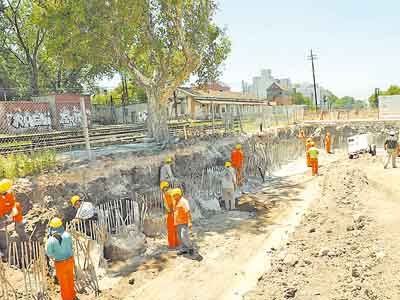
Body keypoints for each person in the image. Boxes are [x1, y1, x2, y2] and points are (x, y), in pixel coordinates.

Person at [46, 217, 76, 300]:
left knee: (63, 283)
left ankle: (67, 298)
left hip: (60, 264)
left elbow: (49, 253)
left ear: (52, 227)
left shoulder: (51, 240)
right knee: (70, 279)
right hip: (70, 260)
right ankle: (72, 296)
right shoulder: (68, 235)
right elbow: (71, 246)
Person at [170, 188, 194, 256]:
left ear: (179, 194)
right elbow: (174, 211)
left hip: (184, 222)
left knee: (184, 236)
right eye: (173, 195)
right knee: (180, 237)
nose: (174, 197)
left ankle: (190, 248)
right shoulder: (175, 201)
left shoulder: (184, 201)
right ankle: (183, 249)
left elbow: (188, 212)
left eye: (175, 195)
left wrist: (189, 222)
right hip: (177, 223)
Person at [160, 181, 179, 249]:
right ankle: (177, 243)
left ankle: (172, 245)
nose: (163, 191)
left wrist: (171, 211)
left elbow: (170, 204)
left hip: (171, 213)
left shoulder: (167, 194)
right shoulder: (172, 192)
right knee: (175, 229)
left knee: (171, 229)